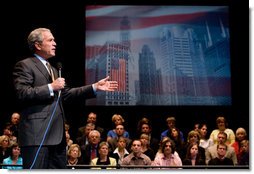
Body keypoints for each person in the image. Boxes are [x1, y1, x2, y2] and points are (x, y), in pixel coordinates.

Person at [12, 27, 118, 169]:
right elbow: (22, 93)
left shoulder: (54, 69)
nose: (55, 43)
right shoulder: (25, 65)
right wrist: (51, 87)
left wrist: (94, 87)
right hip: (37, 136)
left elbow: (66, 94)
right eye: (50, 40)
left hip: (57, 138)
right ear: (37, 45)